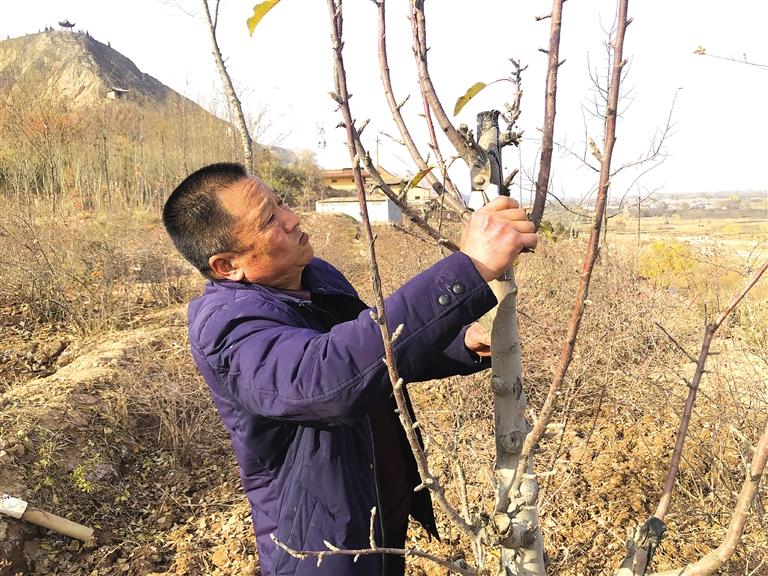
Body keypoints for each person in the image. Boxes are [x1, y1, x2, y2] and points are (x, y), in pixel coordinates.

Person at [162, 162, 537, 576]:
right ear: (226, 266)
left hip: (376, 520)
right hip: (325, 553)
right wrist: (469, 270)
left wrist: (459, 343)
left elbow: (375, 355)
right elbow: (329, 378)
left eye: (281, 202)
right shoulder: (227, 329)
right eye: (270, 219)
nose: (291, 219)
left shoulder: (313, 276)